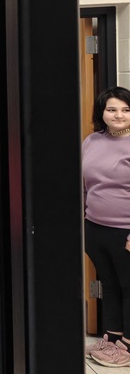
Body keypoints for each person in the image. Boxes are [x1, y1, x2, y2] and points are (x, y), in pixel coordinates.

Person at [84, 87, 130, 367]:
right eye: (112, 109)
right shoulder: (92, 141)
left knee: (129, 285)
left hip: (126, 231)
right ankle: (113, 338)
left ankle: (128, 346)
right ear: (102, 112)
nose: (119, 115)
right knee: (110, 284)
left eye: (125, 110)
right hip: (95, 228)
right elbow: (84, 183)